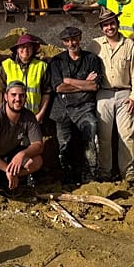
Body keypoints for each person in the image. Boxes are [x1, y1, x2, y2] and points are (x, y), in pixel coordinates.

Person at [86, 7, 134, 184]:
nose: (109, 27)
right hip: (103, 95)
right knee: (103, 136)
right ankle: (105, 171)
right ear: (101, 28)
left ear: (117, 24)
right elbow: (85, 64)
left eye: (112, 23)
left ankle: (128, 172)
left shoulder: (129, 45)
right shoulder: (94, 45)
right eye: (105, 25)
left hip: (124, 93)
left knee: (127, 135)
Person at [49, 25, 103, 185]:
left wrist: (69, 81)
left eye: (74, 39)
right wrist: (85, 82)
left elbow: (94, 86)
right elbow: (58, 87)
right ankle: (67, 176)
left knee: (90, 132)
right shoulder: (57, 61)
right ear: (63, 43)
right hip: (62, 108)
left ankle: (90, 174)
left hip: (84, 107)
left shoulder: (91, 59)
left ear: (80, 39)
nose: (71, 43)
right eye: (67, 40)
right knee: (64, 143)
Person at [0, 33, 51, 124]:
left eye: (29, 46)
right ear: (17, 49)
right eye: (22, 47)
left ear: (33, 49)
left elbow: (46, 93)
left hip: (33, 118)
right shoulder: (7, 65)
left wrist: (40, 114)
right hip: (11, 118)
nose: (25, 49)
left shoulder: (41, 66)